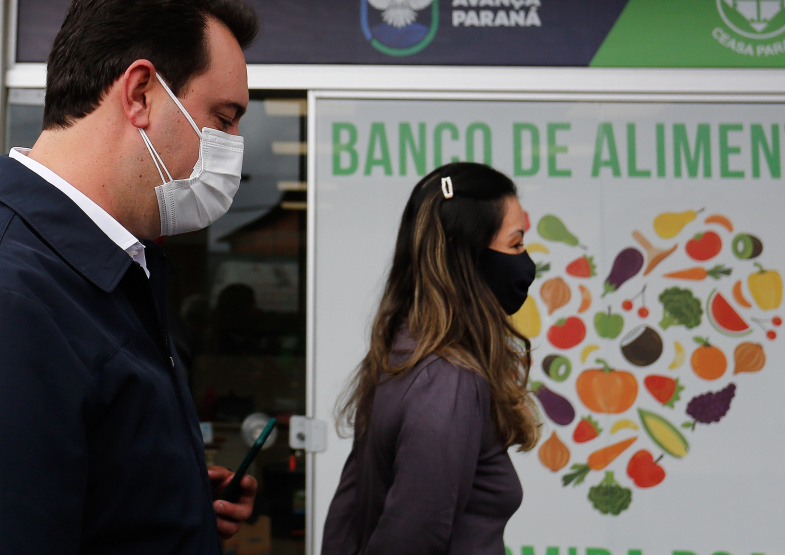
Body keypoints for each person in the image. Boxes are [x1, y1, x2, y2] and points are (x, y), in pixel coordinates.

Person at [0, 1, 260, 553]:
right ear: (140, 93)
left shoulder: (107, 266)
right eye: (223, 118)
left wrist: (175, 497)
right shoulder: (14, 294)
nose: (235, 146)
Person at [322, 162, 542, 554]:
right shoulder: (447, 380)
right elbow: (412, 537)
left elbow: (347, 515)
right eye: (515, 244)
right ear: (467, 256)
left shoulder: (400, 356)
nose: (525, 260)